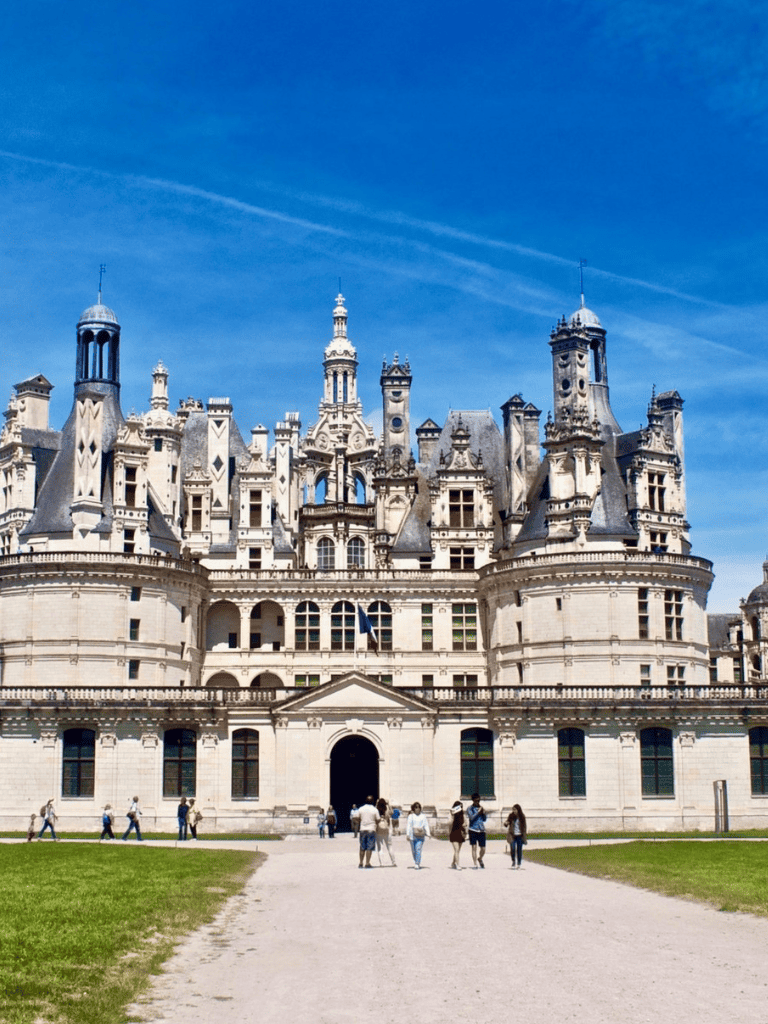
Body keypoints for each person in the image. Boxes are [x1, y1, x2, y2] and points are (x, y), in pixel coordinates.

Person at [357, 795, 380, 868]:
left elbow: (356, 818)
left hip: (362, 829)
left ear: (365, 801)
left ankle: (360, 863)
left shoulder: (361, 808)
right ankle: (367, 863)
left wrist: (361, 822)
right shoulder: (375, 809)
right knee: (369, 847)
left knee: (362, 847)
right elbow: (378, 819)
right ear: (372, 801)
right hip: (371, 829)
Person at [406, 801, 430, 869]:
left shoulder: (423, 816)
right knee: (414, 851)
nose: (417, 809)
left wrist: (428, 833)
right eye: (416, 807)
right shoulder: (411, 816)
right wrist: (407, 834)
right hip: (412, 835)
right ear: (414, 808)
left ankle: (417, 863)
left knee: (418, 849)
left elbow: (426, 825)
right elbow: (408, 825)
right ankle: (416, 860)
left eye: (419, 807)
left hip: (420, 835)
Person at [466, 792, 487, 869]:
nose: (477, 802)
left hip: (481, 829)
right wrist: (478, 812)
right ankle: (475, 864)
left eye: (478, 800)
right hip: (473, 829)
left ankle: (480, 858)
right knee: (474, 847)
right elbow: (471, 818)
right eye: (476, 801)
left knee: (483, 848)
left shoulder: (481, 808)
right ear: (473, 800)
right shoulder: (469, 808)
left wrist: (484, 813)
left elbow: (484, 820)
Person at [375, 798, 397, 866]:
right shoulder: (387, 811)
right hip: (387, 830)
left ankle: (382, 863)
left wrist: (377, 803)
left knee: (380, 848)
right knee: (390, 846)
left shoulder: (376, 811)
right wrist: (389, 804)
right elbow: (392, 812)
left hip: (379, 830)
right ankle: (393, 862)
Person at [505, 804, 527, 869]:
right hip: (512, 835)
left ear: (518, 810)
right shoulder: (511, 816)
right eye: (513, 810)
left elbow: (524, 827)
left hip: (520, 835)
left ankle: (519, 863)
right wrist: (506, 823)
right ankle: (513, 862)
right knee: (513, 848)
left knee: (519, 849)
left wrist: (524, 836)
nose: (514, 811)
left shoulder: (522, 816)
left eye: (515, 809)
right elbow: (507, 822)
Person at [448, 801, 466, 869]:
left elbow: (466, 823)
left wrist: (465, 825)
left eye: (461, 807)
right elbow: (449, 823)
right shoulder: (451, 814)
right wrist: (452, 816)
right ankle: (458, 864)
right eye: (459, 807)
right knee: (457, 849)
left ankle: (453, 863)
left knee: (457, 850)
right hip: (454, 832)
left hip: (460, 833)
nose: (460, 808)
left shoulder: (463, 814)